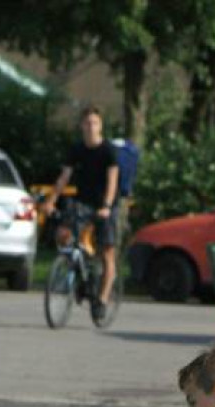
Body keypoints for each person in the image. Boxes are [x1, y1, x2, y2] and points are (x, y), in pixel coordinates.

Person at [42, 105, 120, 321]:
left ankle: (102, 300)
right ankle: (75, 268)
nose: (90, 127)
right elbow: (63, 178)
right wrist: (51, 201)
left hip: (106, 205)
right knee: (64, 232)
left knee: (107, 253)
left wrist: (106, 206)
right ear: (81, 126)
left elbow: (112, 182)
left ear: (100, 126)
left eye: (94, 123)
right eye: (87, 123)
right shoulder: (76, 150)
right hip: (83, 202)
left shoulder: (109, 151)